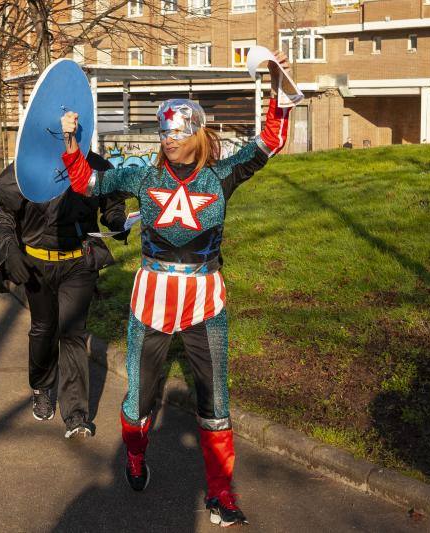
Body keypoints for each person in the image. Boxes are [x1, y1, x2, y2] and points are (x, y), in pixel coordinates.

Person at [59, 51, 292, 527]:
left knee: (215, 400)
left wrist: (277, 84)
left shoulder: (221, 174)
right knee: (138, 400)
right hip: (151, 297)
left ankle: (221, 494)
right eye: (163, 133)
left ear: (198, 134)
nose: (169, 141)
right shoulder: (143, 176)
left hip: (206, 300)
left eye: (178, 133)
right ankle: (136, 456)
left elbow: (270, 140)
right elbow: (86, 182)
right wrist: (69, 137)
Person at [0, 155, 129, 438]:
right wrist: (10, 249)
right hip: (37, 264)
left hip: (79, 261)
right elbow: (1, 211)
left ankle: (76, 414)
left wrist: (117, 220)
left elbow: (111, 203)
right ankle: (41, 386)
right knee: (43, 329)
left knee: (73, 333)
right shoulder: (27, 165)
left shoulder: (96, 166)